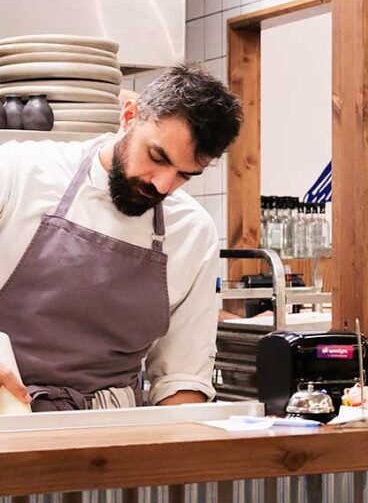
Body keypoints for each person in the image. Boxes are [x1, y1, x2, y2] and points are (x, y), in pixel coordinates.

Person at [0, 64, 242, 412]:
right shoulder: (19, 173)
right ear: (129, 116)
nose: (162, 186)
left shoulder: (192, 232)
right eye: (157, 157)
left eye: (185, 176)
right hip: (7, 417)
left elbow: (182, 377)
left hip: (110, 433)